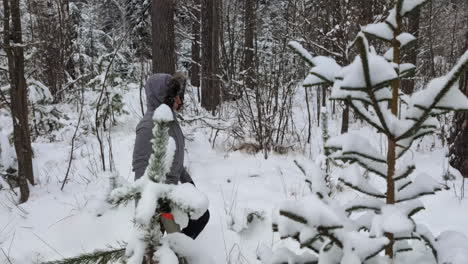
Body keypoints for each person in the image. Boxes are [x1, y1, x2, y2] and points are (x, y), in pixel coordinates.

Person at [132, 73, 210, 240]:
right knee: (154, 247)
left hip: (171, 193)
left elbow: (175, 159)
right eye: (175, 96)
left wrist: (188, 181)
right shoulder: (148, 127)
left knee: (200, 216)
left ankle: (178, 252)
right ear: (164, 97)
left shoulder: (170, 122)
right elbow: (140, 169)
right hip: (159, 201)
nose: (179, 101)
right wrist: (150, 208)